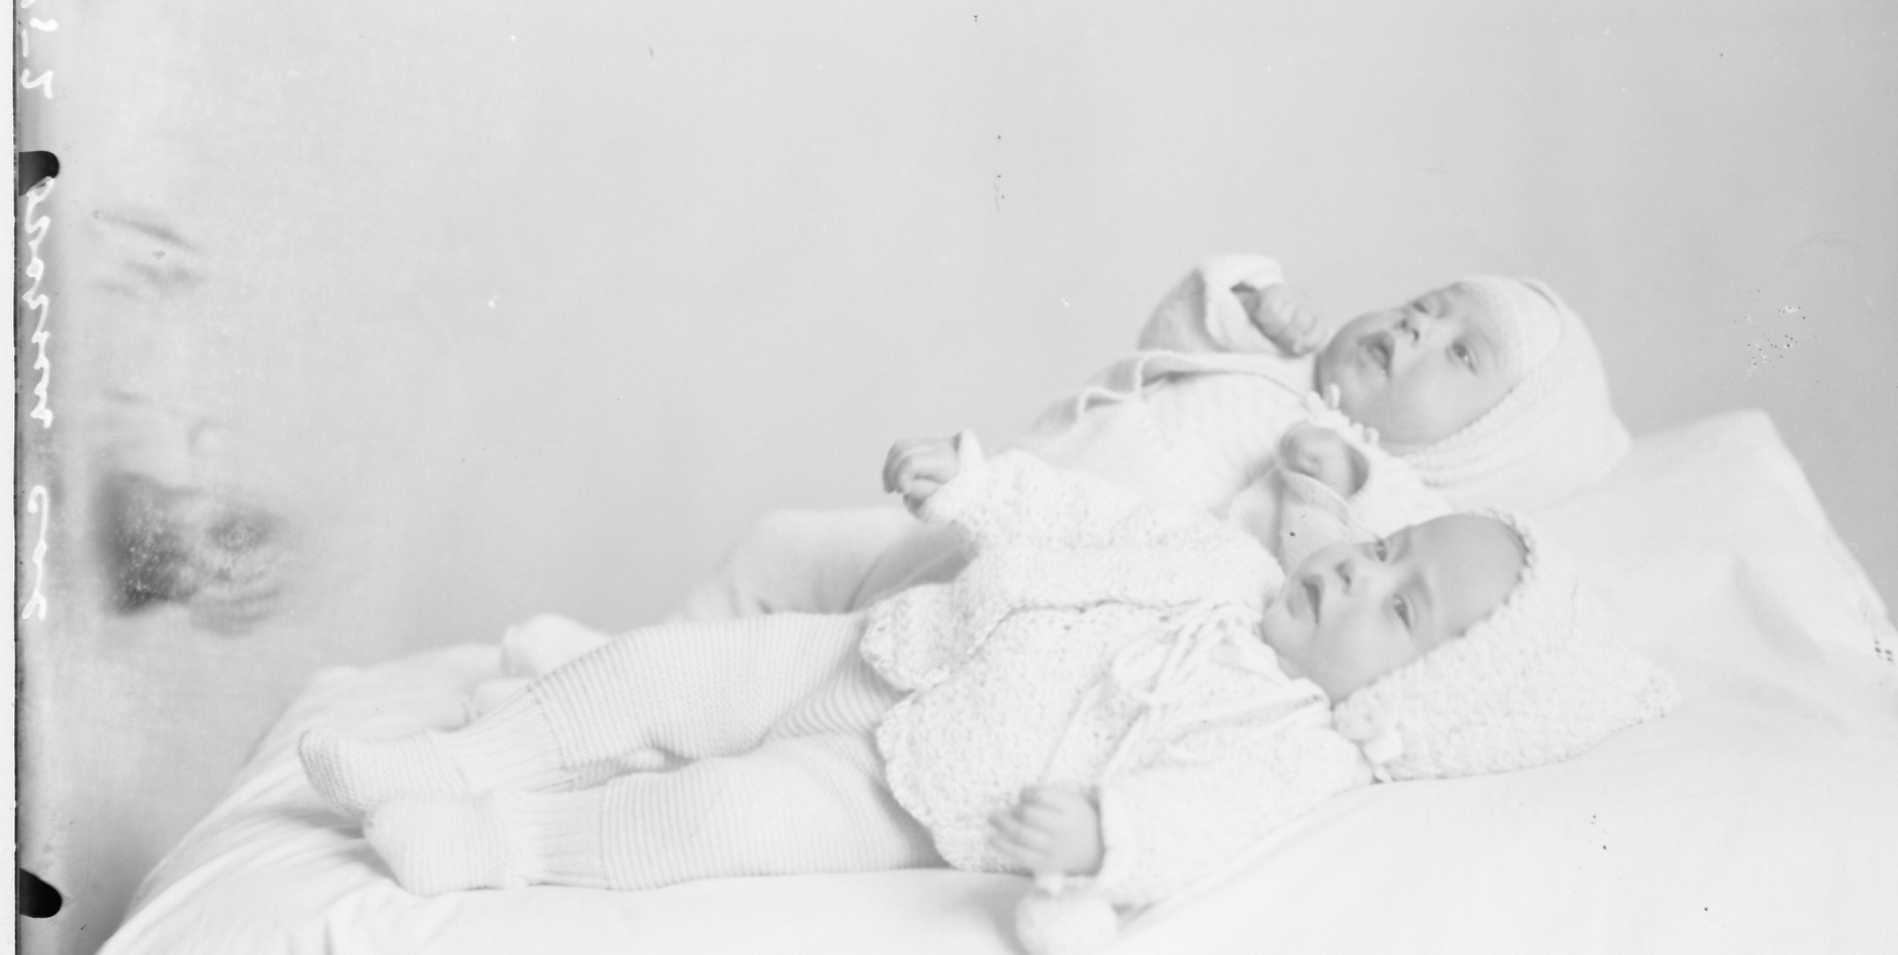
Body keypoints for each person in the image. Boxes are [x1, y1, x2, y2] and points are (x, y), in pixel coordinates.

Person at [299, 431, 1676, 955]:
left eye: (1401, 607)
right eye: (1387, 548)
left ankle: (495, 845)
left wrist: (1105, 838)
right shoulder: (1228, 559)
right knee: (658, 673)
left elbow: (1204, 821)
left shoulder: (1292, 745)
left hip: (903, 795)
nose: (1361, 571)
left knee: (710, 816)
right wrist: (974, 486)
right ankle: (457, 761)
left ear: (1408, 705)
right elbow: (1083, 513)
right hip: (885, 645)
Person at [676, 256, 1628, 622]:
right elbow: (1168, 333)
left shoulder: (1377, 503)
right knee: (777, 548)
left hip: (1034, 589)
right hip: (969, 507)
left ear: (1486, 447)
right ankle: (621, 662)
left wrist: (1344, 482)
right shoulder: (1281, 366)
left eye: (1461, 354)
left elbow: (1321, 571)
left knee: (827, 664)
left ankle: (661, 718)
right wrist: (1248, 300)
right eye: (1429, 303)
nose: (1420, 324)